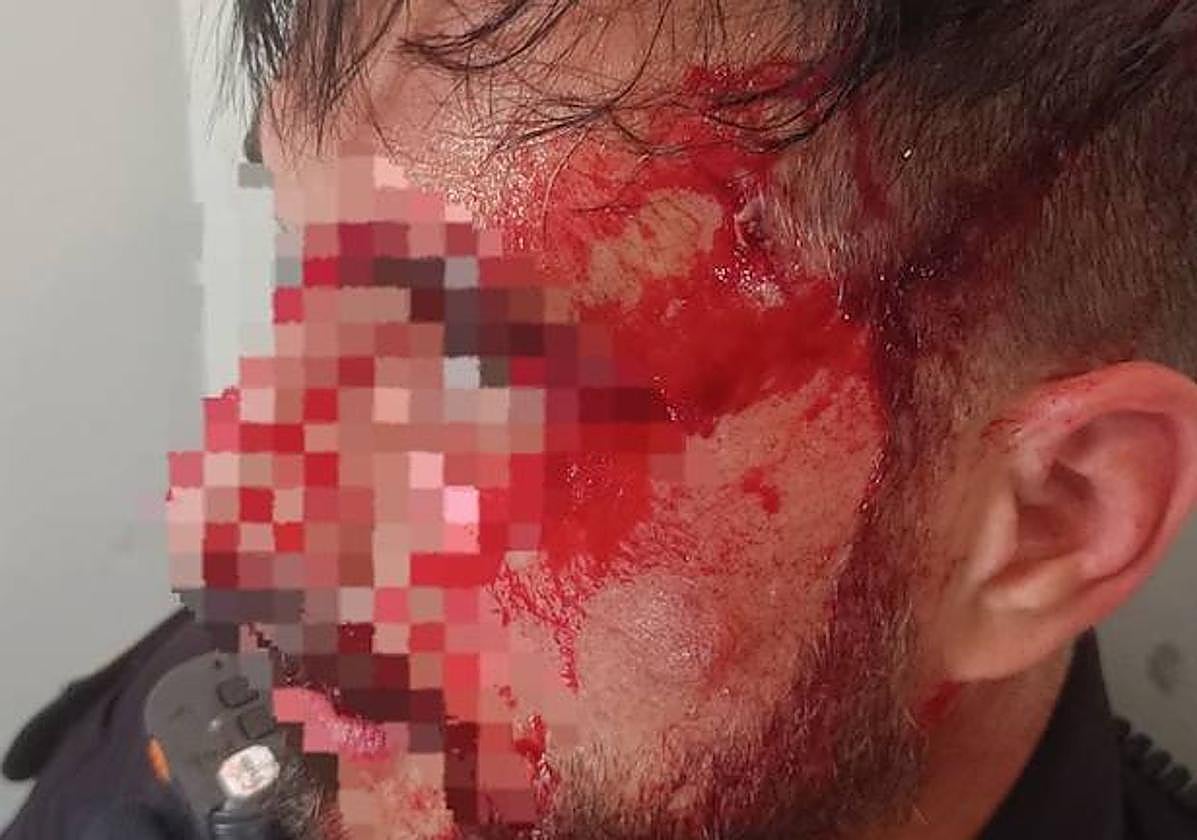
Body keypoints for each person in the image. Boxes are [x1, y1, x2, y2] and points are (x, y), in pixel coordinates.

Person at [5, 0, 1197, 837]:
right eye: (300, 269)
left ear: (1051, 520)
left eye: (474, 373)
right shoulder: (242, 723)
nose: (228, 529)